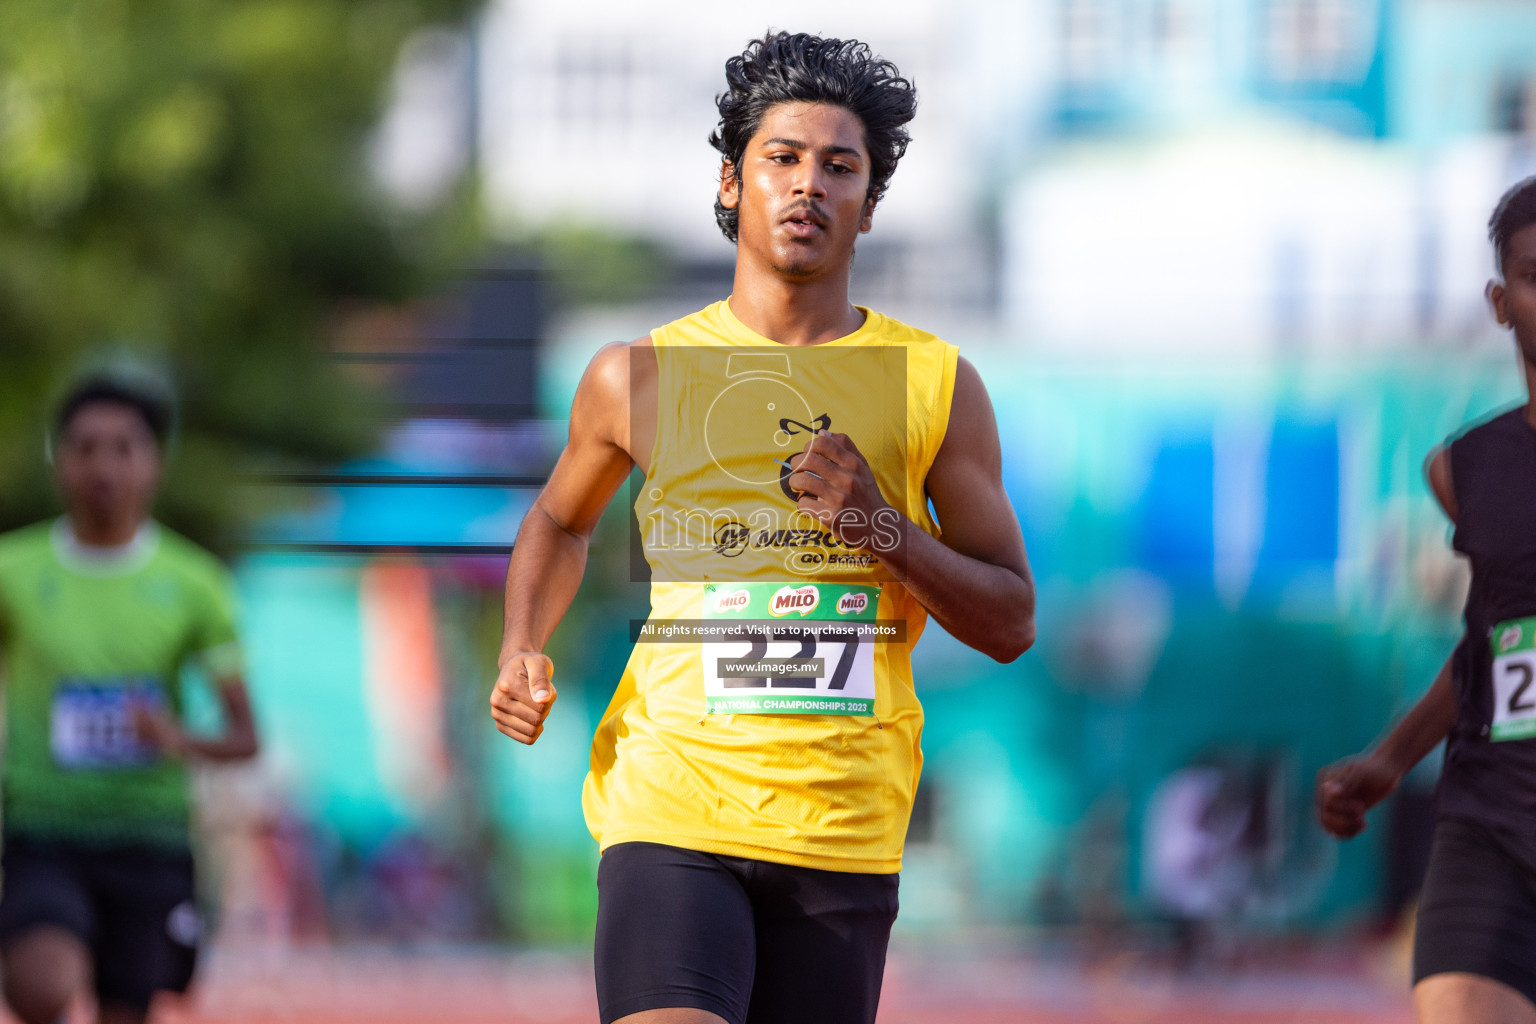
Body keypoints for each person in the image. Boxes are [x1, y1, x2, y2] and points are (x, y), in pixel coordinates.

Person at [489, 30, 1035, 1024]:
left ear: (870, 203)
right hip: (671, 805)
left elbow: (1010, 619)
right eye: (780, 158)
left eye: (840, 166)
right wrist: (521, 643)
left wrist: (882, 528)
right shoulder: (639, 375)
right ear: (733, 182)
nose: (807, 185)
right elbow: (560, 525)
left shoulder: (935, 385)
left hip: (842, 828)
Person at [1317, 175, 1536, 1024]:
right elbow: (1491, 641)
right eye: (1533, 276)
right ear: (1499, 302)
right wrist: (1388, 760)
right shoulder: (1463, 470)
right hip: (1493, 821)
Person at [0, 373, 260, 1024]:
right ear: (58, 459)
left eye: (124, 447)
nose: (104, 466)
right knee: (38, 984)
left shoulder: (195, 584)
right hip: (43, 830)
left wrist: (175, 737)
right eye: (85, 447)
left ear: (155, 462)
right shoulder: (14, 572)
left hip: (149, 839)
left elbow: (245, 737)